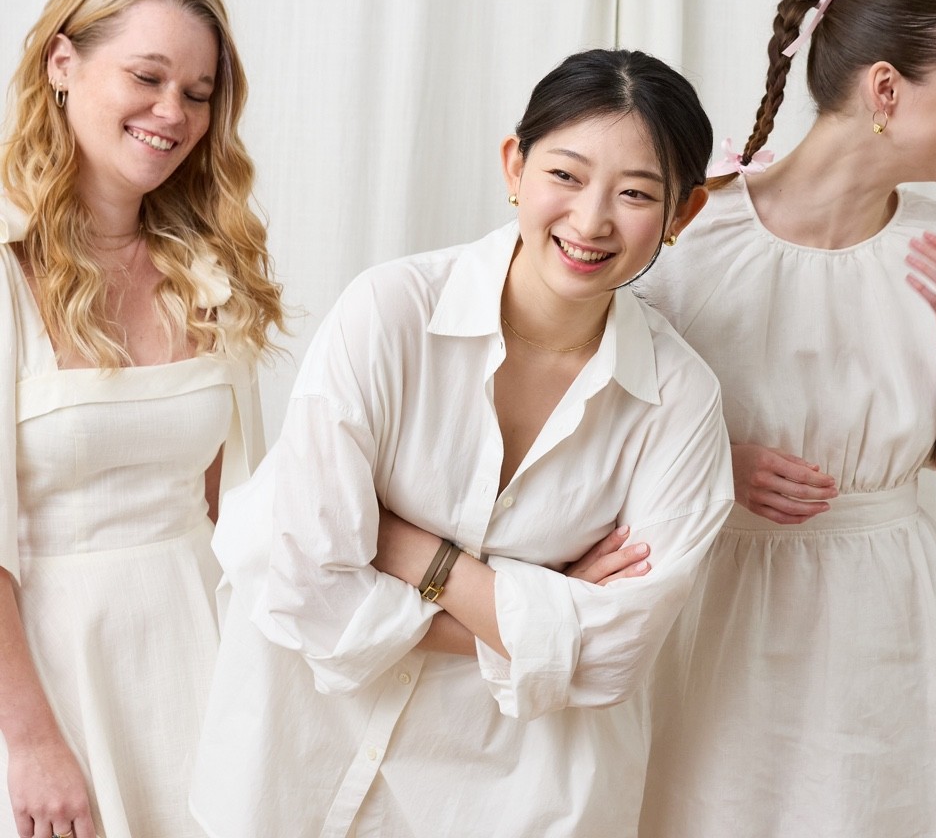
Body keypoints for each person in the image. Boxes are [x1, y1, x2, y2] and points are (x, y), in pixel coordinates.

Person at [188, 48, 733, 837]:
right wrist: (543, 602)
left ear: (683, 214)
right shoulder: (390, 314)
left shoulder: (680, 401)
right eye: (567, 175)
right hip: (297, 759)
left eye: (637, 194)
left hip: (506, 796)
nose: (591, 221)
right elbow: (309, 584)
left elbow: (613, 653)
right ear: (515, 165)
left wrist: (407, 549)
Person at [636, 0, 936, 837]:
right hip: (719, 616)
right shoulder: (693, 229)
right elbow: (602, 432)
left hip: (894, 623)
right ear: (886, 89)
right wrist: (717, 466)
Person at [0, 0, 283, 838]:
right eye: (148, 77)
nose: (173, 114)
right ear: (63, 62)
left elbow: (241, 512)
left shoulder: (210, 272)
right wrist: (30, 743)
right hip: (44, 685)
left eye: (198, 93)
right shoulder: (5, 266)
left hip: (203, 660)